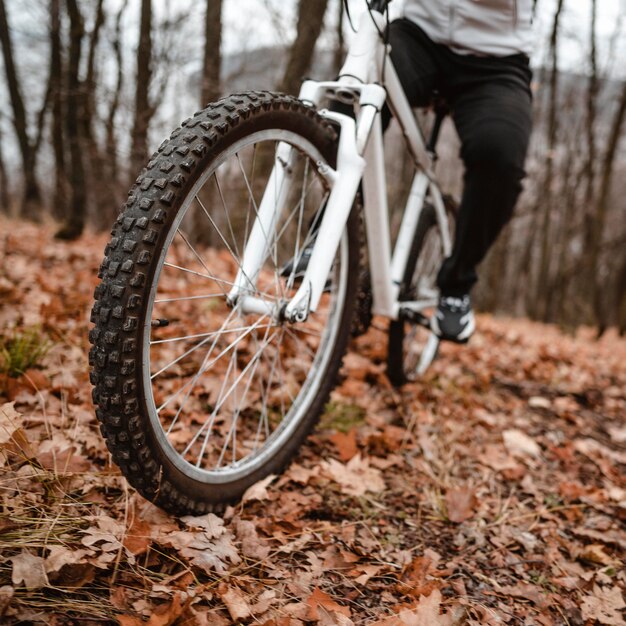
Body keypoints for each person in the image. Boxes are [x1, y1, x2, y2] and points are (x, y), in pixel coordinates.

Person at [396, 0, 534, 342]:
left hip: (496, 57)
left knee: (500, 156)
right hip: (418, 35)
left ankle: (457, 283)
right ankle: (327, 231)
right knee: (355, 85)